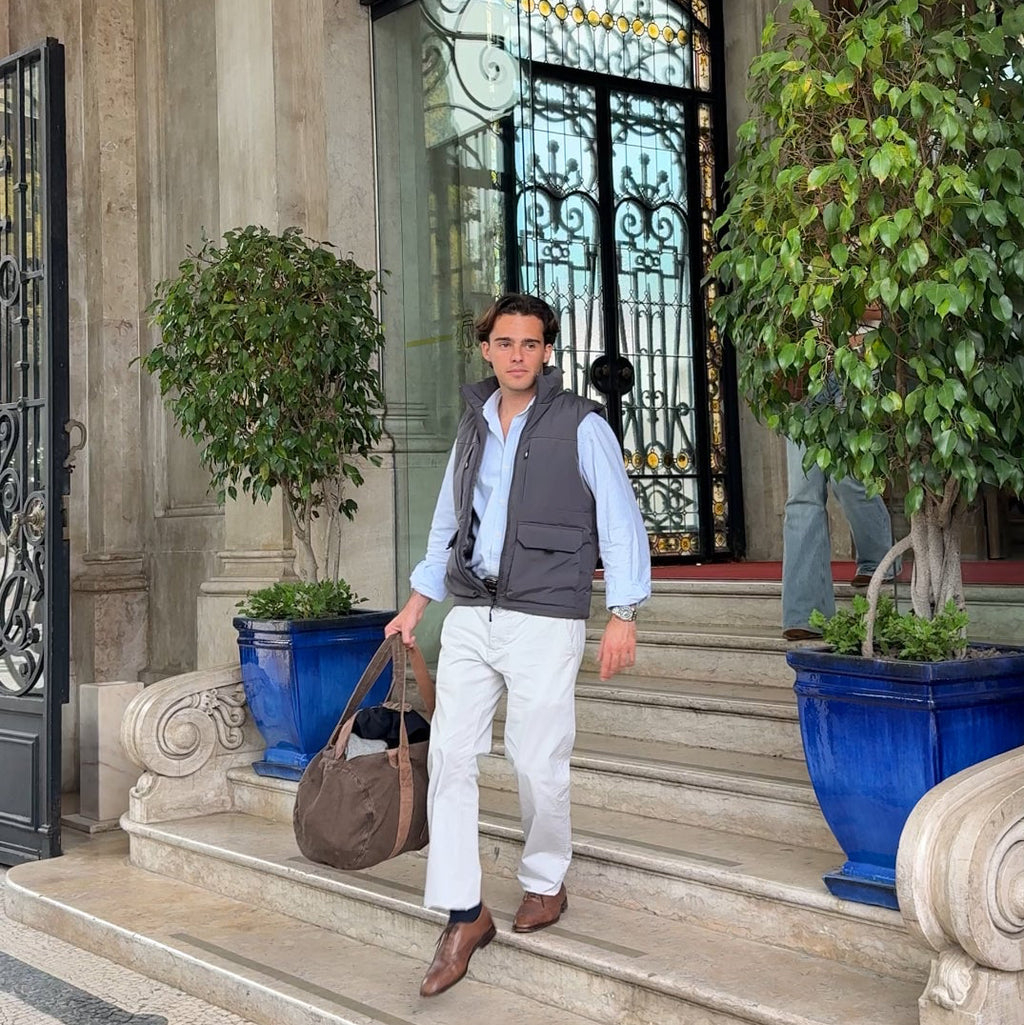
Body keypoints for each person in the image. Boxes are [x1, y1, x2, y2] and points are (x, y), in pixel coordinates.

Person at [385, 293, 651, 998]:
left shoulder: (581, 424)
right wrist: (418, 599)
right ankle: (464, 913)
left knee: (536, 759)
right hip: (473, 610)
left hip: (545, 615)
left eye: (530, 344)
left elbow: (621, 518)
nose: (516, 355)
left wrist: (622, 610)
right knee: (449, 754)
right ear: (486, 349)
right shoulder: (472, 425)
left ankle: (544, 880)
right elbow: (449, 516)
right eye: (504, 343)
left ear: (548, 352)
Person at [781, 306, 895, 640]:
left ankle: (878, 559)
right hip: (808, 367)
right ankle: (806, 613)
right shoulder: (793, 254)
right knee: (802, 495)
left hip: (860, 363)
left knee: (851, 479)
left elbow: (890, 302)